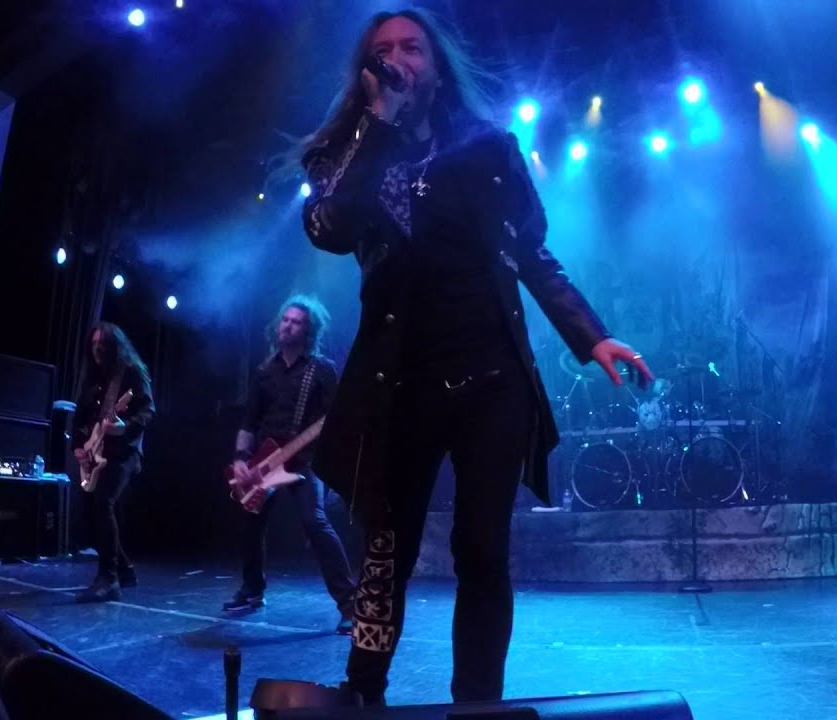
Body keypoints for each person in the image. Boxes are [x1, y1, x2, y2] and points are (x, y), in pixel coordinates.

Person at [297, 9, 653, 704]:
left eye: (412, 47)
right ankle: (363, 690)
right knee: (386, 546)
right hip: (398, 383)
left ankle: (478, 704)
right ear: (366, 71)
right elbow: (329, 229)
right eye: (383, 50)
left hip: (491, 379)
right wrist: (377, 124)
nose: (398, 59)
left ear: (437, 64)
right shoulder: (341, 151)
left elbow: (530, 252)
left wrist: (591, 333)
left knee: (482, 549)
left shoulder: (489, 148)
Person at [225, 295, 356, 635]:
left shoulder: (321, 370)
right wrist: (241, 459)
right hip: (265, 462)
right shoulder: (264, 372)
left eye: (297, 322)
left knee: (315, 522)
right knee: (248, 519)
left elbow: (336, 418)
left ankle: (350, 604)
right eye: (285, 319)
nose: (288, 325)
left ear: (308, 330)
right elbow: (249, 421)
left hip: (305, 461)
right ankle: (252, 589)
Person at [72, 322, 155, 603]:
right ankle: (125, 569)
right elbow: (80, 416)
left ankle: (109, 579)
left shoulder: (131, 372)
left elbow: (148, 410)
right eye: (94, 344)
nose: (97, 350)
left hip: (124, 453)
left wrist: (124, 427)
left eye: (103, 344)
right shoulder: (93, 377)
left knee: (103, 502)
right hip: (96, 452)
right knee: (92, 511)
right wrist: (78, 446)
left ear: (114, 346)